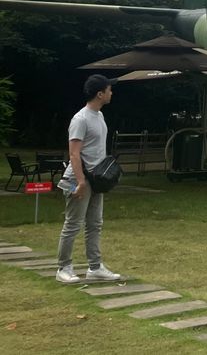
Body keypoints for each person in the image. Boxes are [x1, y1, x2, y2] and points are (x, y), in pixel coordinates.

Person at [56, 74, 121, 283]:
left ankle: (95, 267)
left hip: (97, 180)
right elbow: (74, 154)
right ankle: (63, 268)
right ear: (100, 94)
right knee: (73, 224)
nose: (111, 93)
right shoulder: (80, 119)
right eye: (109, 90)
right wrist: (81, 181)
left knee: (95, 224)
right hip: (78, 180)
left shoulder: (99, 116)